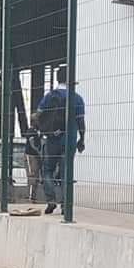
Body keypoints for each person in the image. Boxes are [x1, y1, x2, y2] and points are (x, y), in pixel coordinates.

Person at [34, 66, 86, 215]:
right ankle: (65, 204)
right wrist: (82, 139)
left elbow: (38, 115)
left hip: (52, 139)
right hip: (69, 139)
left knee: (47, 170)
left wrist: (44, 130)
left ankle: (51, 199)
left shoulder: (50, 96)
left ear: (58, 79)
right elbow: (81, 122)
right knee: (66, 172)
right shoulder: (77, 98)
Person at [23, 127, 42, 203]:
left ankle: (33, 196)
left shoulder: (38, 131)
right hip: (30, 155)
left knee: (36, 177)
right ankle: (30, 197)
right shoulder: (31, 131)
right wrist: (38, 151)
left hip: (36, 156)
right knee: (32, 176)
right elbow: (32, 141)